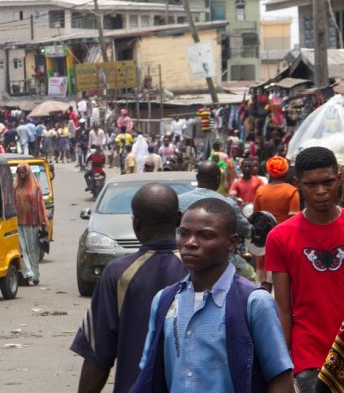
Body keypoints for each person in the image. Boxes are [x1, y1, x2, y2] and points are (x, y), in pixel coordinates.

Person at [132, 198, 294, 393]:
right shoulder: (164, 300)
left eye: (205, 236)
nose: (190, 243)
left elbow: (280, 377)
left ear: (231, 243)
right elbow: (148, 373)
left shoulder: (254, 302)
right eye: (184, 233)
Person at [72, 183, 187, 393]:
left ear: (136, 223)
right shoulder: (199, 270)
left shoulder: (117, 273)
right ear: (179, 218)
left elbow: (98, 355)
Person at [265, 146, 344, 392]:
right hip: (308, 356)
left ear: (339, 178)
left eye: (328, 182)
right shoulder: (280, 237)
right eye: (311, 185)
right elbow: (283, 308)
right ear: (298, 183)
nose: (321, 192)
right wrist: (281, 365)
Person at [178, 160, 256, 281]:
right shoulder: (228, 203)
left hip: (182, 259)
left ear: (198, 178)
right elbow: (246, 230)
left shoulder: (178, 201)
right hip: (218, 263)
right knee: (250, 275)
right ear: (218, 179)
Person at [252, 156, 299, 291]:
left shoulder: (261, 190)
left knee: (265, 283)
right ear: (286, 171)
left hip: (265, 239)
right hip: (284, 240)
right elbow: (293, 219)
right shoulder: (292, 191)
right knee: (284, 284)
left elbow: (256, 216)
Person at [13, 162, 48, 285]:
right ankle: (28, 274)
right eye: (19, 173)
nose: (21, 175)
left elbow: (41, 205)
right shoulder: (15, 186)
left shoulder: (35, 187)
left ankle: (35, 275)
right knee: (22, 248)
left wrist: (43, 221)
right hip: (18, 223)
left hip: (32, 223)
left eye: (23, 172)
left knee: (33, 250)